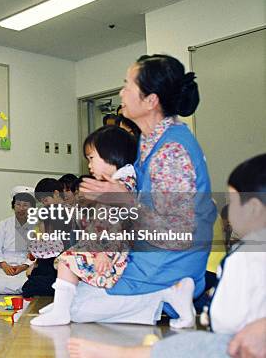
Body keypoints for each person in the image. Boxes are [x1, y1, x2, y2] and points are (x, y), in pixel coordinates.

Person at [67, 153, 266, 358]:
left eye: (233, 201)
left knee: (195, 345)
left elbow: (228, 318)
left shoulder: (247, 255)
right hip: (193, 282)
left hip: (227, 329)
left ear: (253, 208)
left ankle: (121, 352)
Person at [75, 54, 217, 325]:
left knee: (78, 308)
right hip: (150, 257)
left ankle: (168, 296)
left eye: (128, 85)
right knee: (78, 291)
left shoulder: (171, 150)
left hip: (169, 264)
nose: (121, 92)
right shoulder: (149, 141)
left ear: (151, 101)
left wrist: (123, 199)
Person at [32, 125, 138, 326]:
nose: (89, 164)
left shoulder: (120, 185)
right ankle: (61, 305)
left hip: (112, 249)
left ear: (110, 155)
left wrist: (105, 253)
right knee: (68, 260)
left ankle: (61, 310)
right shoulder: (119, 181)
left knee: (67, 261)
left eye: (92, 158)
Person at [0, 188, 36, 295]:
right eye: (18, 204)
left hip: (25, 266)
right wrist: (4, 265)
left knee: (27, 286)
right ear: (13, 206)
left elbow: (37, 252)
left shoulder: (36, 225)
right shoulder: (4, 224)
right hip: (6, 265)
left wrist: (24, 266)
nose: (21, 208)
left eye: (25, 205)